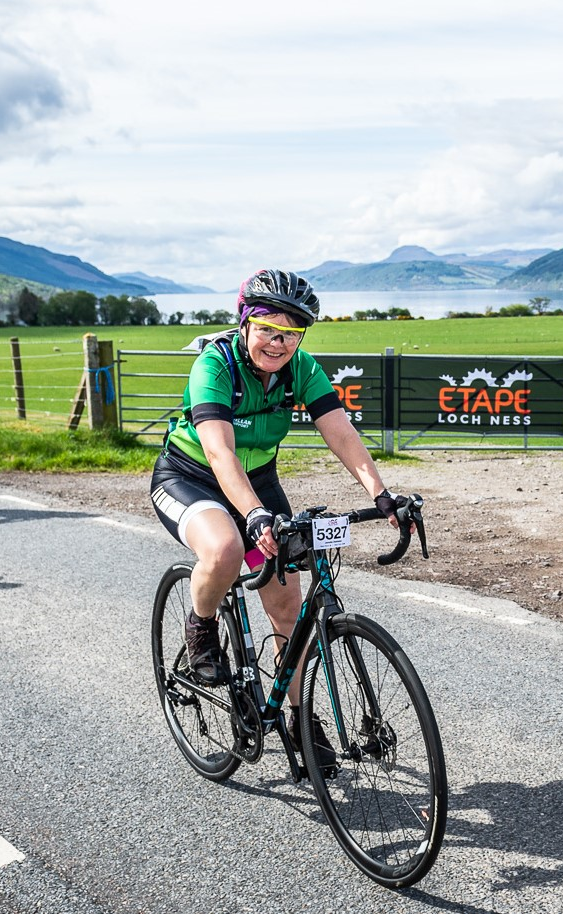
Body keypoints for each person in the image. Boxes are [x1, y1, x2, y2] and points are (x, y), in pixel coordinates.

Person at [149, 269, 404, 766]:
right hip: (190, 477)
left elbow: (341, 432)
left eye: (291, 332)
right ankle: (201, 627)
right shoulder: (215, 366)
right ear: (245, 322)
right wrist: (254, 516)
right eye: (268, 327)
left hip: (259, 482)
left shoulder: (301, 369)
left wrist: (381, 493)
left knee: (288, 605)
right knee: (224, 549)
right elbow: (220, 454)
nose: (278, 341)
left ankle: (299, 720)